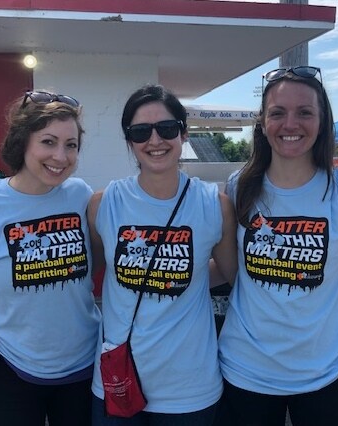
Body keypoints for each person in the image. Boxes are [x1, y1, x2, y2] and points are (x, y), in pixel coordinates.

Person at [217, 66, 338, 425]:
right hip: (244, 374)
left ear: (323, 121)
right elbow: (230, 271)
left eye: (304, 112)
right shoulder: (237, 187)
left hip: (327, 377)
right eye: (277, 113)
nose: (290, 124)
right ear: (262, 123)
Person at [0, 90, 101, 426]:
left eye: (71, 145)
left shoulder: (81, 195)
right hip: (12, 370)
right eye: (48, 142)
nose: (60, 156)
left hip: (84, 369)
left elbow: (99, 262)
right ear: (22, 142)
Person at [88, 84, 238, 425]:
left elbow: (234, 275)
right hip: (119, 377)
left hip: (189, 386)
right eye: (141, 132)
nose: (155, 141)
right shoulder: (103, 205)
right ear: (129, 140)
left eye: (166, 129)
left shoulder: (213, 206)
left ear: (183, 133)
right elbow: (94, 272)